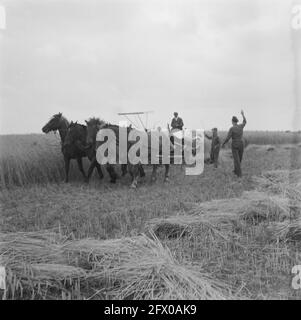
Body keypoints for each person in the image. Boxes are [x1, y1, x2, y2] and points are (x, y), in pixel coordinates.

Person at [222, 110, 247, 177]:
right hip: (241, 144)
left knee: (236, 160)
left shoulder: (232, 128)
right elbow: (245, 122)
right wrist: (243, 114)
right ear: (237, 121)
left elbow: (228, 138)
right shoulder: (241, 126)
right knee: (239, 159)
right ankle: (236, 171)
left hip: (235, 145)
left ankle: (239, 174)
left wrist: (223, 143)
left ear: (233, 122)